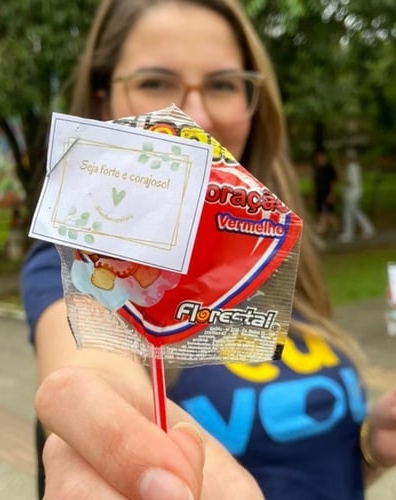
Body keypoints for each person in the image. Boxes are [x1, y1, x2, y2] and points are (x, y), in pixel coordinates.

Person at [20, 1, 396, 499]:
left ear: (253, 102)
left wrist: (371, 452)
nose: (193, 117)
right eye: (155, 82)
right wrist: (102, 424)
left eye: (221, 84)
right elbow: (90, 369)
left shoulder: (271, 254)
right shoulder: (79, 263)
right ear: (102, 99)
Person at [339, 148, 375, 242]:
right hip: (351, 193)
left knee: (351, 212)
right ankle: (358, 231)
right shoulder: (353, 167)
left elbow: (350, 182)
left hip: (352, 194)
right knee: (352, 212)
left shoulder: (352, 168)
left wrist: (342, 178)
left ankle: (363, 230)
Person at [313, 148, 341, 236]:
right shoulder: (318, 169)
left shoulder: (329, 168)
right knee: (324, 212)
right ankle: (325, 228)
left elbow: (332, 182)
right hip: (320, 194)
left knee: (328, 212)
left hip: (327, 193)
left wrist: (331, 194)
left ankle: (323, 228)